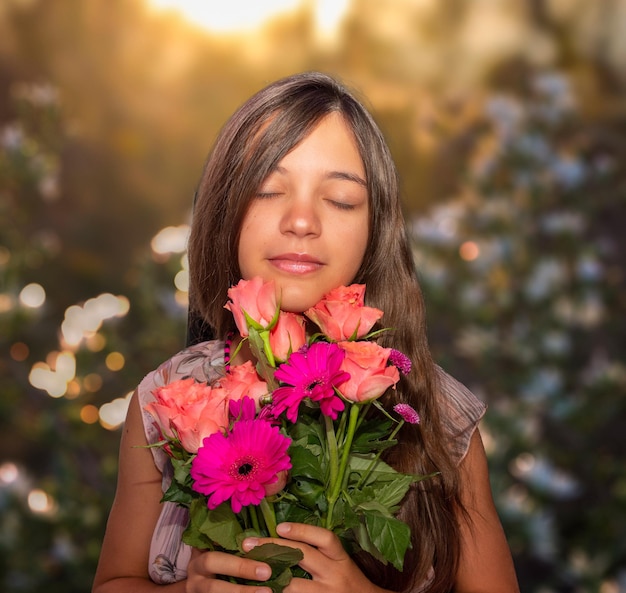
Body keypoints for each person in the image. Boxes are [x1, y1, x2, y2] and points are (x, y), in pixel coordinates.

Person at [92, 71, 520, 593]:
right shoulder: (170, 402)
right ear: (224, 212)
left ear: (374, 229)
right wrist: (190, 590)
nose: (301, 221)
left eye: (340, 199)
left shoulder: (437, 415)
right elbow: (113, 581)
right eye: (269, 190)